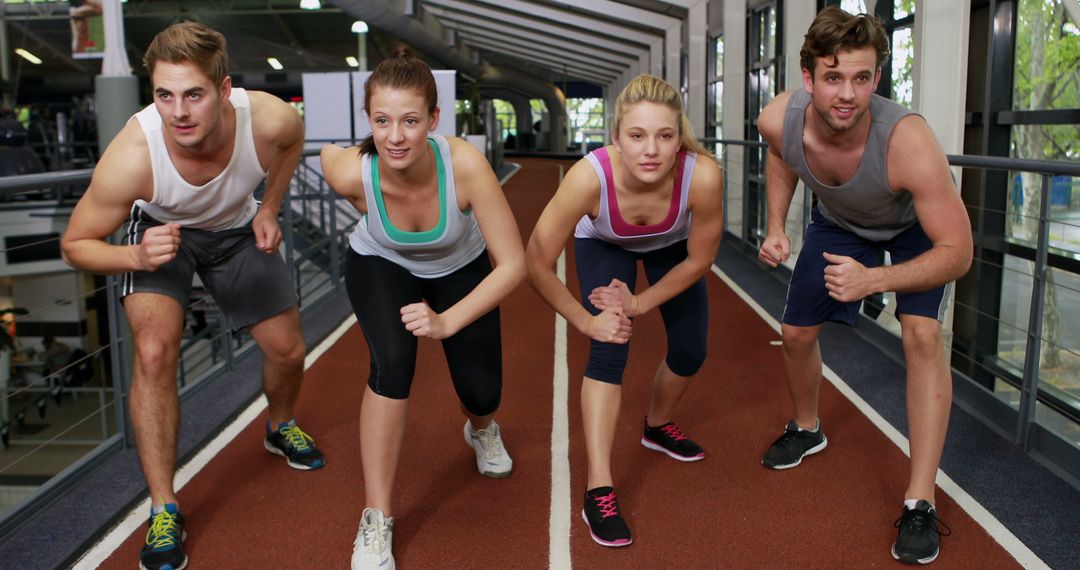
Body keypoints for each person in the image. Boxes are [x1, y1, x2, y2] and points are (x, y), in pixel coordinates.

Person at [60, 22, 324, 570]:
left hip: (235, 230)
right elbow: (75, 245)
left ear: (224, 90)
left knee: (288, 349)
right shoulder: (135, 155)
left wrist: (270, 206)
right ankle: (163, 507)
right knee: (154, 353)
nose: (178, 112)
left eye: (193, 94)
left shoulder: (269, 118)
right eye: (163, 95)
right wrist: (135, 256)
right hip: (160, 236)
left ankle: (279, 425)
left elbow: (293, 142)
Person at [755, 7, 972, 565]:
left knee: (922, 336)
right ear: (808, 78)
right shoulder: (778, 117)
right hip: (840, 222)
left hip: (914, 232)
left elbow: (958, 254)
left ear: (877, 77)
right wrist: (777, 225)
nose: (847, 94)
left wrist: (876, 280)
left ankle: (920, 500)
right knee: (795, 332)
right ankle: (807, 428)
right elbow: (784, 154)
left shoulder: (908, 142)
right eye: (833, 77)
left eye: (861, 77)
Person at [320, 48, 525, 570]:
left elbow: (513, 265)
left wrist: (448, 321)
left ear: (434, 119)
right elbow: (327, 157)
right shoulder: (354, 172)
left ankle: (481, 430)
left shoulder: (464, 166)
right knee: (392, 364)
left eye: (410, 121)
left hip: (462, 267)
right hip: (381, 261)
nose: (395, 137)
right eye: (382, 121)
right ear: (368, 120)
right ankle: (376, 518)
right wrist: (365, 208)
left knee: (482, 391)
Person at [526, 74, 724, 547]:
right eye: (637, 135)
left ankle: (656, 425)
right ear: (615, 137)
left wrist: (639, 302)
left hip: (670, 248)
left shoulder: (704, 176)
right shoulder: (587, 178)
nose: (650, 149)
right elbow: (535, 260)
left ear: (680, 138)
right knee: (608, 347)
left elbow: (701, 259)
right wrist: (586, 320)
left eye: (664, 135)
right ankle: (599, 488)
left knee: (692, 350)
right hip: (605, 242)